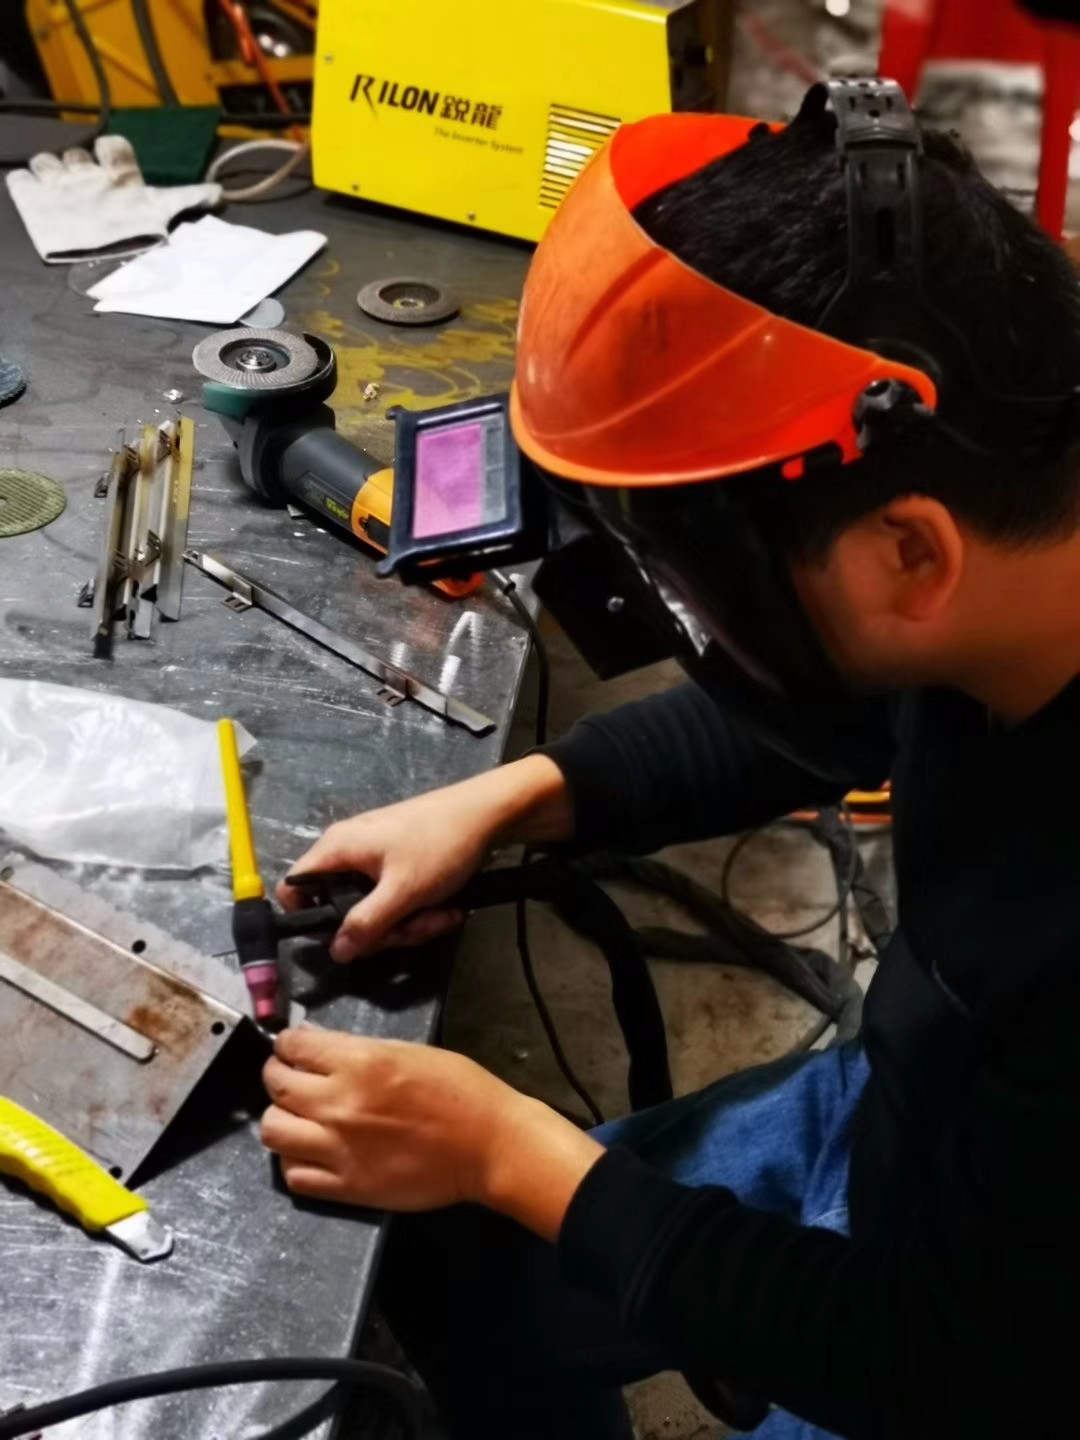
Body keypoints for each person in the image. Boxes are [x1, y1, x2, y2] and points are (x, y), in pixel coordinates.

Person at [256, 81, 1080, 1439]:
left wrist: (513, 1151)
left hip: (973, 1341)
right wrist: (520, 796)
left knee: (499, 1194)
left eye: (704, 594)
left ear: (909, 553)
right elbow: (834, 702)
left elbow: (949, 1361)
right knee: (454, 1263)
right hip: (916, 1107)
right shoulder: (1012, 543)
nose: (693, 627)